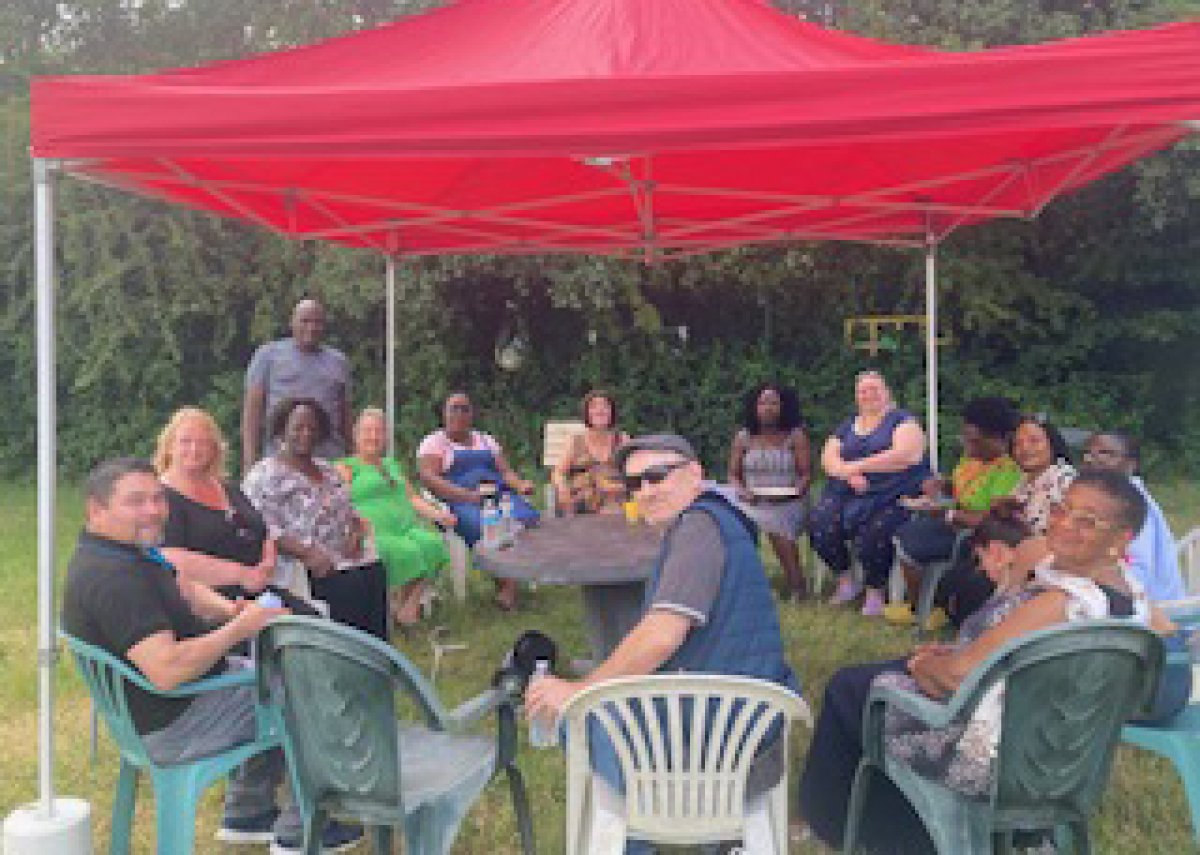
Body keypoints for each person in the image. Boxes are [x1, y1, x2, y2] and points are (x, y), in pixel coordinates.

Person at [797, 471, 1183, 853]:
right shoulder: (1130, 597)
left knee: (852, 689)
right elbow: (1165, 639)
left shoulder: (1060, 603)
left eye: (1087, 521)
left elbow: (956, 680)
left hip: (990, 757)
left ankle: (849, 830)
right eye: (1063, 509)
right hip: (1060, 753)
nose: (1065, 524)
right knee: (873, 681)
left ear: (1122, 539)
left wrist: (923, 666)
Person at [60, 457, 362, 853]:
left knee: (277, 666)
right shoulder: (113, 580)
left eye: (157, 498)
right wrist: (239, 629)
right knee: (309, 685)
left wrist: (230, 610)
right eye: (136, 502)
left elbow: (179, 582)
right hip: (175, 722)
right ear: (96, 510)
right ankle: (302, 830)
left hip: (164, 706)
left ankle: (248, 811)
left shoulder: (123, 551)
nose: (153, 510)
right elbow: (167, 670)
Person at [525, 434, 801, 855]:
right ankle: (718, 837)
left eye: (657, 477)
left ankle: (639, 836)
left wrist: (581, 692)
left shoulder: (698, 528)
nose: (646, 492)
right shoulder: (718, 522)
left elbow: (661, 634)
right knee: (613, 706)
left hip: (719, 742)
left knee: (577, 718)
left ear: (695, 474)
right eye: (634, 484)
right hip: (750, 722)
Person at [243, 398, 385, 638]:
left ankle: (378, 658)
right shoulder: (264, 474)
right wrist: (307, 552)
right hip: (301, 563)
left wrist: (355, 533)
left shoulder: (328, 470)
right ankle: (346, 653)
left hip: (343, 556)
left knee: (374, 572)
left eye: (312, 428)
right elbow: (261, 526)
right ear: (281, 431)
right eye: (298, 428)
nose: (306, 434)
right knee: (350, 585)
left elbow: (351, 512)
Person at [808, 370, 930, 616]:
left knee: (876, 530)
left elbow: (906, 455)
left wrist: (857, 466)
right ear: (856, 397)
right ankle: (845, 580)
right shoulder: (847, 426)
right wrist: (847, 473)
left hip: (891, 492)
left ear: (887, 393)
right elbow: (828, 458)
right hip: (847, 491)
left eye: (875, 389)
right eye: (863, 391)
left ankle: (876, 589)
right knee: (820, 522)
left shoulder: (903, 421)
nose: (869, 394)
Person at [891, 397, 1022, 622]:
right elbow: (964, 488)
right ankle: (921, 603)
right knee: (903, 533)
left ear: (999, 439)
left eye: (974, 441)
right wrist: (943, 484)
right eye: (966, 439)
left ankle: (927, 607)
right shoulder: (973, 458)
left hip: (976, 538)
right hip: (953, 524)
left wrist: (948, 514)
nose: (968, 446)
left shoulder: (1009, 471)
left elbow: (992, 522)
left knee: (911, 543)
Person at [417, 391, 540, 610]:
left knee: (525, 518)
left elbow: (506, 472)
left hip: (497, 495)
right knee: (486, 525)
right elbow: (429, 479)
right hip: (460, 501)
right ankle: (508, 584)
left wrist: (521, 485)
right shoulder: (434, 442)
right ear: (444, 413)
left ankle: (510, 580)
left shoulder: (486, 440)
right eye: (454, 408)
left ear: (472, 414)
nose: (459, 413)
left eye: (465, 409)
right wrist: (467, 496)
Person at [335, 407, 456, 630]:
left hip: (405, 527)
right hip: (373, 533)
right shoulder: (347, 467)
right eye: (367, 431)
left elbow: (412, 498)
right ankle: (404, 613)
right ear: (356, 435)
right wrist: (355, 524)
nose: (373, 437)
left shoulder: (391, 464)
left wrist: (438, 514)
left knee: (432, 545)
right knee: (407, 552)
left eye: (378, 431)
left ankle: (405, 608)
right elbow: (339, 503)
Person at [241, 298, 352, 473]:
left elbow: (345, 416)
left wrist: (353, 458)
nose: (311, 327)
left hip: (330, 461)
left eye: (317, 322)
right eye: (305, 321)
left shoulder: (339, 362)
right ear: (292, 323)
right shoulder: (267, 356)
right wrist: (249, 462)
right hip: (280, 461)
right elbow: (252, 416)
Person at [727, 383, 811, 601]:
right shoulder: (743, 437)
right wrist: (742, 492)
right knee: (731, 521)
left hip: (788, 502)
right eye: (763, 403)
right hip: (751, 500)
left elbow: (805, 475)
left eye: (774, 403)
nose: (768, 408)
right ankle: (744, 584)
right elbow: (733, 475)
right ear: (754, 407)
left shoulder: (795, 436)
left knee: (776, 523)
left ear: (784, 407)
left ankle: (797, 586)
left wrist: (794, 492)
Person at [1082, 431, 1186, 601]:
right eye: (1088, 453)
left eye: (1105, 453)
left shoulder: (1134, 505)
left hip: (1156, 610)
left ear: (1131, 465)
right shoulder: (1108, 498)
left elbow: (1138, 572)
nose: (1091, 459)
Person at [551, 389, 630, 514]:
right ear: (587, 413)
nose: (600, 410)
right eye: (594, 406)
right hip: (582, 498)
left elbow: (633, 472)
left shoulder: (622, 439)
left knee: (615, 507)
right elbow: (558, 472)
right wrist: (562, 488)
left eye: (605, 406)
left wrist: (617, 487)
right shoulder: (575, 441)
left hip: (614, 495)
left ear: (612, 412)